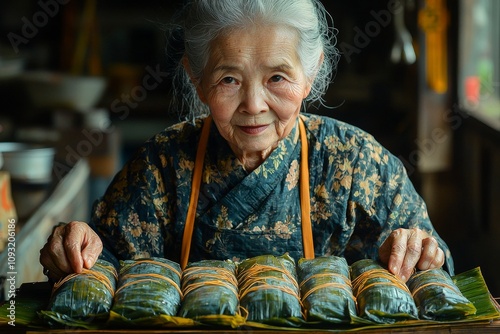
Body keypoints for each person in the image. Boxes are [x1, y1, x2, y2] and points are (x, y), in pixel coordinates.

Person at [40, 0, 453, 283]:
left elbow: (438, 273)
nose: (254, 105)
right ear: (197, 81)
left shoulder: (358, 163)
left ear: (310, 74)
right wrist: (75, 249)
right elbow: (101, 270)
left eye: (277, 77)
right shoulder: (161, 165)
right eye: (229, 79)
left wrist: (423, 254)